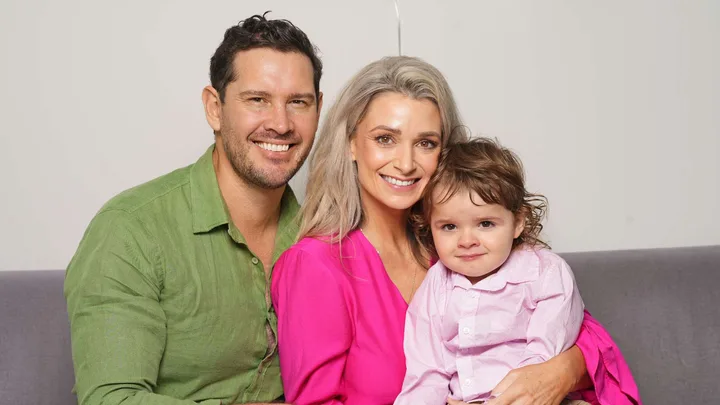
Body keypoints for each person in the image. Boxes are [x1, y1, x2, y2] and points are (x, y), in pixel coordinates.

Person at [271, 56, 642, 405]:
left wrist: (555, 373)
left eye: (426, 143)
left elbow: (587, 336)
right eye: (385, 138)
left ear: (445, 153)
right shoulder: (315, 266)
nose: (405, 163)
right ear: (351, 144)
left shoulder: (459, 244)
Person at [64, 13, 322, 405]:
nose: (281, 124)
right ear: (214, 108)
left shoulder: (321, 235)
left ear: (319, 108)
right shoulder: (131, 230)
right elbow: (111, 399)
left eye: (298, 103)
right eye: (257, 100)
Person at [394, 138, 599, 404]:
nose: (467, 240)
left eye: (486, 223)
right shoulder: (436, 285)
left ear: (518, 223)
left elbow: (542, 362)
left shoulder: (545, 273)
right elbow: (426, 373)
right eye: (449, 227)